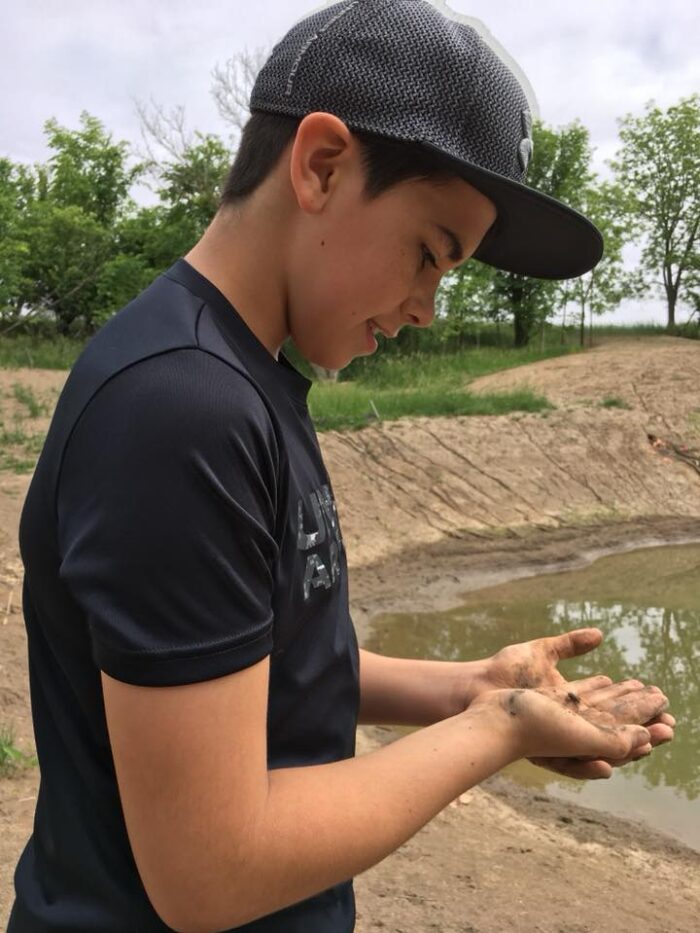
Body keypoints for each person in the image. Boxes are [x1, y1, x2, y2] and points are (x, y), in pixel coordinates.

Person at [8, 2, 675, 931]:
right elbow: (211, 869)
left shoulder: (248, 377)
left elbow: (262, 663)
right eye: (429, 255)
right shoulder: (181, 410)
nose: (428, 309)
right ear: (322, 165)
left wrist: (472, 686)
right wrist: (501, 729)